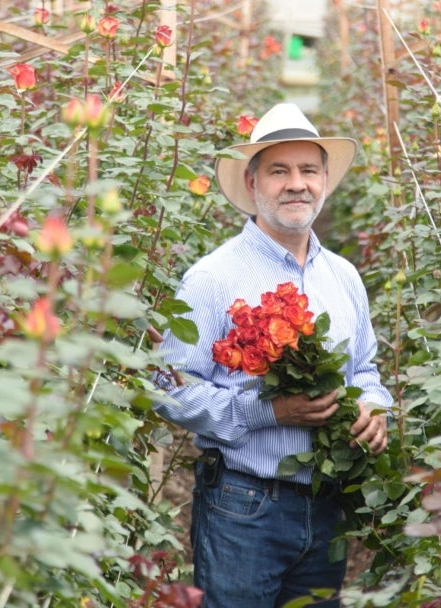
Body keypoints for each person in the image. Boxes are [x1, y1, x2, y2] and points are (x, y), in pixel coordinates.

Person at [154, 103, 392, 608]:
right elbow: (169, 388)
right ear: (253, 181)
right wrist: (268, 410)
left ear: (324, 179)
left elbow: (366, 369)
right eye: (279, 171)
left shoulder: (343, 277)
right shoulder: (213, 279)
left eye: (308, 170)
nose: (296, 184)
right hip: (244, 507)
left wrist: (374, 407)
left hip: (327, 505)